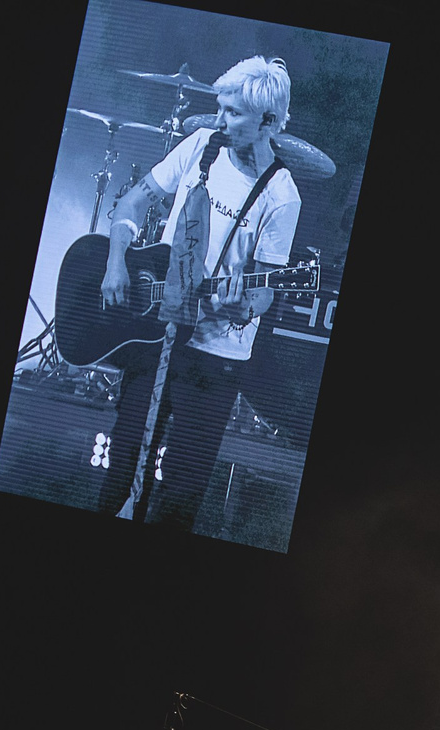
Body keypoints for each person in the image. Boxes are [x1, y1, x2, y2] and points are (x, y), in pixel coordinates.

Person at [93, 56, 303, 528]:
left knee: (181, 492)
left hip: (215, 358)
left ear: (268, 121)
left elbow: (265, 291)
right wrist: (115, 263)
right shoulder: (201, 146)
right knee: (122, 464)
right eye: (220, 108)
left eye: (232, 113)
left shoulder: (282, 195)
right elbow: (133, 200)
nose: (219, 120)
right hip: (156, 336)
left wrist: (241, 307)